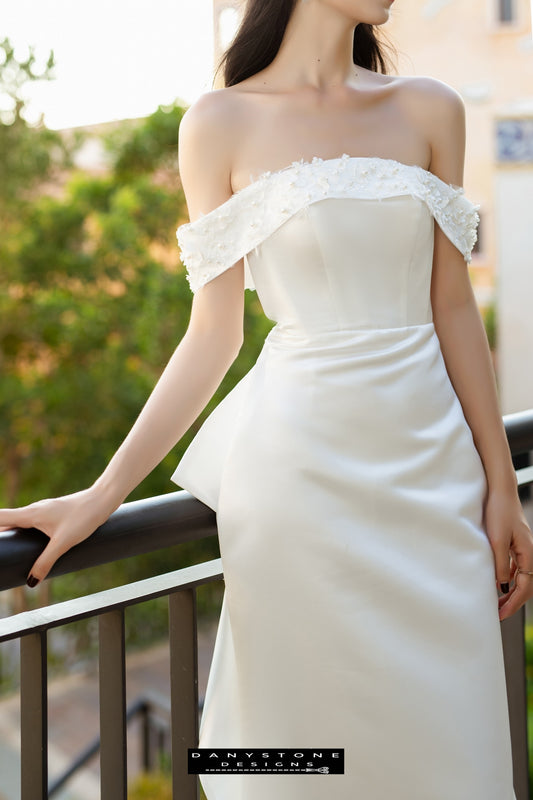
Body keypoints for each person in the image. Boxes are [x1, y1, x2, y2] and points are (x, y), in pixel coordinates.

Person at [1, 0, 532, 797]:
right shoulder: (218, 123)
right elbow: (211, 336)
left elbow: (451, 306)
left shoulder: (431, 108)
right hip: (297, 487)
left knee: (451, 742)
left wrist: (499, 486)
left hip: (435, 480)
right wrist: (100, 497)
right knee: (308, 748)